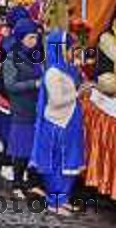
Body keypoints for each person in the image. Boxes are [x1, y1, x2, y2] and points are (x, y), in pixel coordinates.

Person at [30, 30, 86, 214]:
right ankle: (55, 201)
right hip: (58, 124)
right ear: (60, 50)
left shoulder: (67, 69)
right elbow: (56, 100)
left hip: (68, 123)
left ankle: (63, 198)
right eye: (70, 50)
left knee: (66, 163)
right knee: (57, 164)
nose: (73, 54)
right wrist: (78, 93)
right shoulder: (53, 73)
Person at [2, 18, 43, 199]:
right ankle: (17, 183)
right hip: (21, 108)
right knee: (21, 147)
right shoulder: (11, 58)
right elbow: (10, 85)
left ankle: (33, 182)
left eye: (35, 38)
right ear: (20, 38)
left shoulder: (35, 56)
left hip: (36, 107)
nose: (34, 42)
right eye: (30, 38)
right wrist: (34, 84)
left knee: (34, 146)